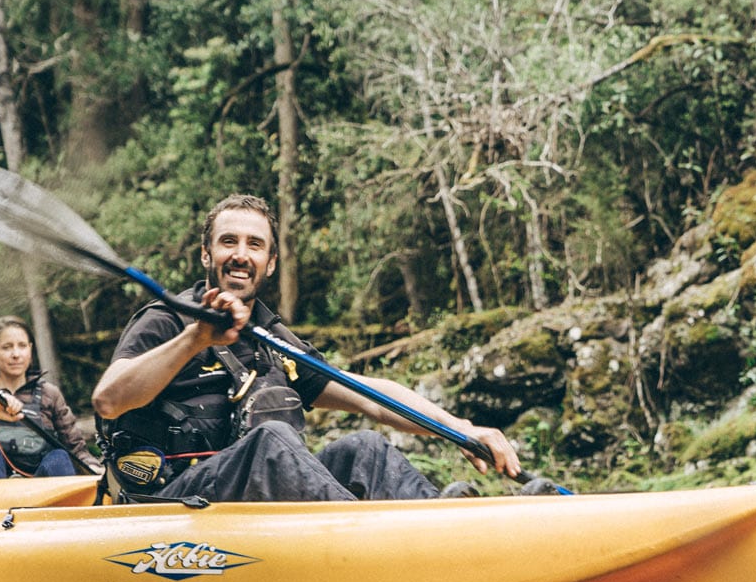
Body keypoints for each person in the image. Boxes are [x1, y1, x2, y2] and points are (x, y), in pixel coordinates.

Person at [91, 194, 528, 503]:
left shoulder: (271, 337)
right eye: (229, 242)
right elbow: (108, 400)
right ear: (206, 255)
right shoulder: (166, 321)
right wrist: (197, 339)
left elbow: (369, 396)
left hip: (238, 511)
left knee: (365, 449)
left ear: (271, 263)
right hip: (167, 504)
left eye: (254, 245)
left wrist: (460, 427)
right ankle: (378, 542)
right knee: (274, 439)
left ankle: (443, 531)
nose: (241, 254)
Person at [0, 316, 100, 480]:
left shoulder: (50, 393)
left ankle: (64, 505)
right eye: (7, 347)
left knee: (60, 457)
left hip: (39, 485)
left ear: (30, 349)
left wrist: (95, 469)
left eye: (22, 346)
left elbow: (75, 448)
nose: (16, 354)